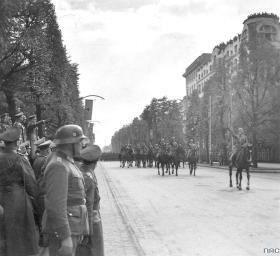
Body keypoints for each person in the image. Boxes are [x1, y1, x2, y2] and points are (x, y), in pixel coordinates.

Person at [42, 124, 89, 256]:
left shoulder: (67, 162)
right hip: (65, 230)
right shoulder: (59, 165)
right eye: (80, 142)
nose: (82, 145)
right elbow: (56, 205)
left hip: (73, 226)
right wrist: (65, 237)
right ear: (71, 143)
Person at [0, 127, 39, 256]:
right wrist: (37, 206)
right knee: (20, 239)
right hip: (18, 201)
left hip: (1, 199)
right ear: (17, 142)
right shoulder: (20, 159)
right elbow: (31, 185)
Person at [76, 145, 104, 256]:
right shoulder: (89, 177)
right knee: (95, 251)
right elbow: (89, 205)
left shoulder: (80, 170)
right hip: (91, 221)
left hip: (80, 220)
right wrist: (88, 232)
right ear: (95, 162)